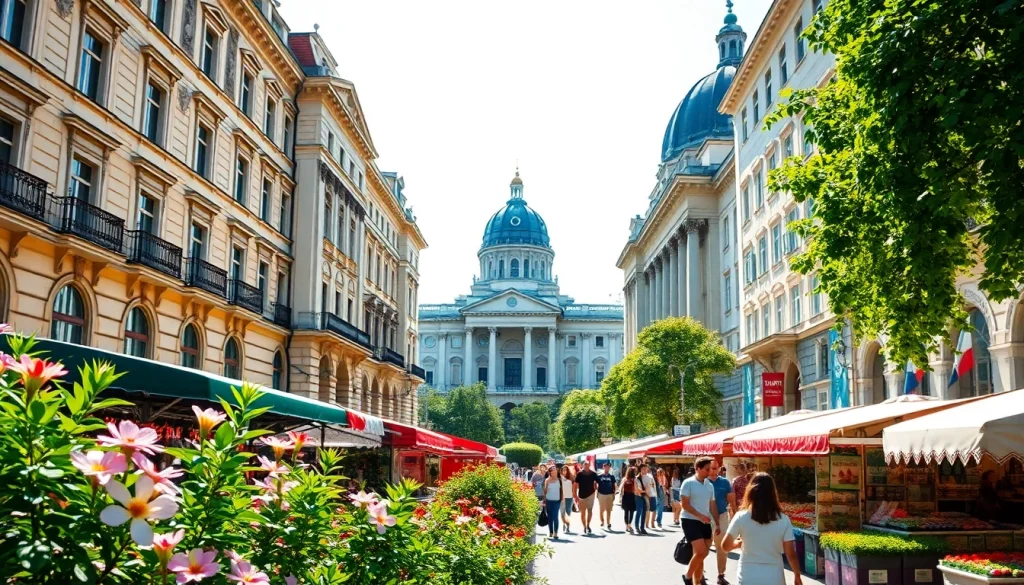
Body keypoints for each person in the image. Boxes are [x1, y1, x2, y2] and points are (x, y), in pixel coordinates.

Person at [722, 472, 803, 585]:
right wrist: (797, 575)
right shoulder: (783, 520)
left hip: (747, 576)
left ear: (750, 492)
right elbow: (790, 553)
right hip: (774, 577)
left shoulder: (741, 517)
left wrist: (738, 544)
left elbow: (725, 546)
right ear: (773, 493)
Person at [680, 457, 716, 585]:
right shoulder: (688, 483)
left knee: (700, 555)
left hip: (705, 522)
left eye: (710, 469)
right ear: (698, 468)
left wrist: (717, 523)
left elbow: (712, 505)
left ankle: (698, 582)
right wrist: (700, 516)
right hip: (690, 520)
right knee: (702, 552)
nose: (709, 472)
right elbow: (685, 504)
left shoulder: (709, 485)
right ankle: (687, 576)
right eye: (707, 469)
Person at [709, 460, 739, 585]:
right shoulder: (702, 482)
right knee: (702, 548)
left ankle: (721, 574)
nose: (715, 470)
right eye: (712, 468)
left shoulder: (724, 482)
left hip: (721, 516)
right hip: (705, 517)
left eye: (717, 468)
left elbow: (732, 500)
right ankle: (699, 573)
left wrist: (735, 516)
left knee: (721, 547)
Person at [574, 460, 599, 534]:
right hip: (582, 495)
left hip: (591, 494)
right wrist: (574, 494)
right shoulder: (580, 474)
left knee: (590, 511)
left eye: (587, 464)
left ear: (589, 465)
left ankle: (588, 525)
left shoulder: (593, 474)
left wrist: (597, 489)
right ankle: (584, 526)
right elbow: (575, 484)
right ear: (583, 465)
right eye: (585, 464)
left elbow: (598, 482)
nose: (586, 465)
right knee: (583, 512)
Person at [542, 466, 563, 540]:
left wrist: (562, 498)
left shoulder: (559, 480)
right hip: (549, 500)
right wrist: (544, 499)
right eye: (552, 471)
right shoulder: (547, 480)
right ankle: (551, 531)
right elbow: (545, 491)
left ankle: (556, 533)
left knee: (555, 516)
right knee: (550, 517)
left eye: (555, 470)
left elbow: (561, 490)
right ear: (550, 472)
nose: (554, 472)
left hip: (557, 500)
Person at [597, 462, 618, 530]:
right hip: (601, 494)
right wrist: (596, 490)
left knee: (608, 510)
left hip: (609, 494)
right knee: (602, 509)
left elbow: (614, 485)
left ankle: (608, 522)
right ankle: (602, 521)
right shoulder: (600, 476)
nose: (607, 468)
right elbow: (595, 483)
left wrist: (614, 493)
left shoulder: (612, 477)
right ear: (603, 467)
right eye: (606, 467)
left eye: (608, 467)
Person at [634, 464, 651, 535]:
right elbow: (636, 489)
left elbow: (649, 488)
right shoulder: (636, 478)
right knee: (639, 511)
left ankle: (642, 527)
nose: (644, 470)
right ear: (640, 470)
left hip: (645, 496)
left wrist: (648, 494)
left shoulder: (648, 478)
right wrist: (644, 491)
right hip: (638, 496)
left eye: (646, 469)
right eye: (643, 469)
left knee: (644, 512)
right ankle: (636, 527)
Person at [621, 467, 637, 534]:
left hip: (625, 496)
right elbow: (635, 489)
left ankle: (627, 525)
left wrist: (620, 497)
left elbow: (621, 488)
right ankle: (629, 524)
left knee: (626, 511)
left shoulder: (624, 479)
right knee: (632, 511)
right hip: (632, 496)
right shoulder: (635, 479)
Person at [560, 465, 575, 534]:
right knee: (562, 513)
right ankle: (564, 523)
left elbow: (573, 489)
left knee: (568, 512)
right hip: (562, 498)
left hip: (569, 497)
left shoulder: (571, 479)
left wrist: (575, 497)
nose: (564, 471)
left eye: (565, 470)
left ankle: (567, 526)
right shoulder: (560, 478)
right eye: (563, 470)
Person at [642, 464, 658, 530]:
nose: (646, 469)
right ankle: (646, 523)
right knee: (647, 510)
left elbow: (653, 485)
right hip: (646, 494)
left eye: (647, 468)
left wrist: (655, 493)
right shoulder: (642, 476)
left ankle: (652, 523)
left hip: (653, 494)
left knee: (654, 509)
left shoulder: (650, 476)